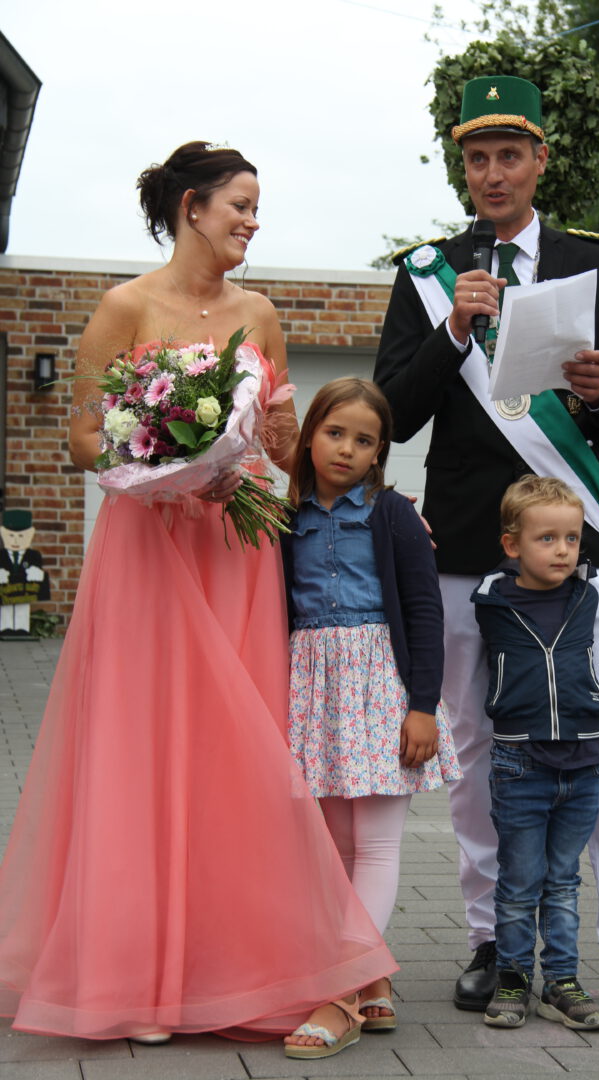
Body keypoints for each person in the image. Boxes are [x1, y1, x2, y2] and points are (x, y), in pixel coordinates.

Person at [0, 142, 395, 1047]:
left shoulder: (260, 313)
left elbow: (285, 447)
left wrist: (309, 468)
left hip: (236, 547)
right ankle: (137, 978)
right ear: (192, 206)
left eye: (257, 207)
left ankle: (235, 964)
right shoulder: (125, 306)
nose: (253, 221)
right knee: (143, 749)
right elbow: (84, 440)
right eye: (240, 205)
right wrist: (164, 453)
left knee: (239, 750)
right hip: (149, 550)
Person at [374, 75, 599, 1033]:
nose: (493, 173)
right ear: (465, 168)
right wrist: (454, 328)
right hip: (468, 548)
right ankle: (496, 942)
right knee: (480, 749)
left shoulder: (594, 264)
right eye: (478, 158)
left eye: (510, 155)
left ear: (540, 162)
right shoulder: (429, 272)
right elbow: (393, 411)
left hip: (575, 547)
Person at [281, 377, 461, 1053]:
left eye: (365, 440)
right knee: (337, 850)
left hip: (381, 687)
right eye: (335, 433)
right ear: (309, 436)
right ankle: (374, 978)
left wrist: (422, 707)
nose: (347, 449)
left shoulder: (392, 515)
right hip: (316, 691)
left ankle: (338, 996)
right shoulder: (285, 517)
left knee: (377, 845)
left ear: (380, 452)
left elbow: (425, 611)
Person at [472, 475, 599, 1030]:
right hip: (520, 764)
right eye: (546, 538)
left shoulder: (586, 596)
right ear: (512, 545)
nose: (562, 550)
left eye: (571, 538)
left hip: (583, 765)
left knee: (564, 881)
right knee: (519, 882)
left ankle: (561, 981)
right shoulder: (493, 601)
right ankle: (511, 978)